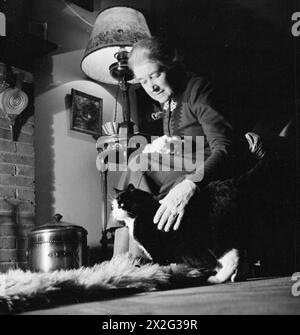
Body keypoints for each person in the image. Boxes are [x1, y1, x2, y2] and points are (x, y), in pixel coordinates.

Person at [108, 36, 235, 258]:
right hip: (183, 163)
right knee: (138, 162)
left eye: (155, 75)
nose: (151, 86)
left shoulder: (198, 90)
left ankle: (125, 261)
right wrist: (168, 145)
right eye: (143, 80)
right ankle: (123, 260)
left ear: (171, 65)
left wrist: (190, 184)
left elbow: (224, 148)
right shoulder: (168, 99)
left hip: (205, 169)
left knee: (140, 164)